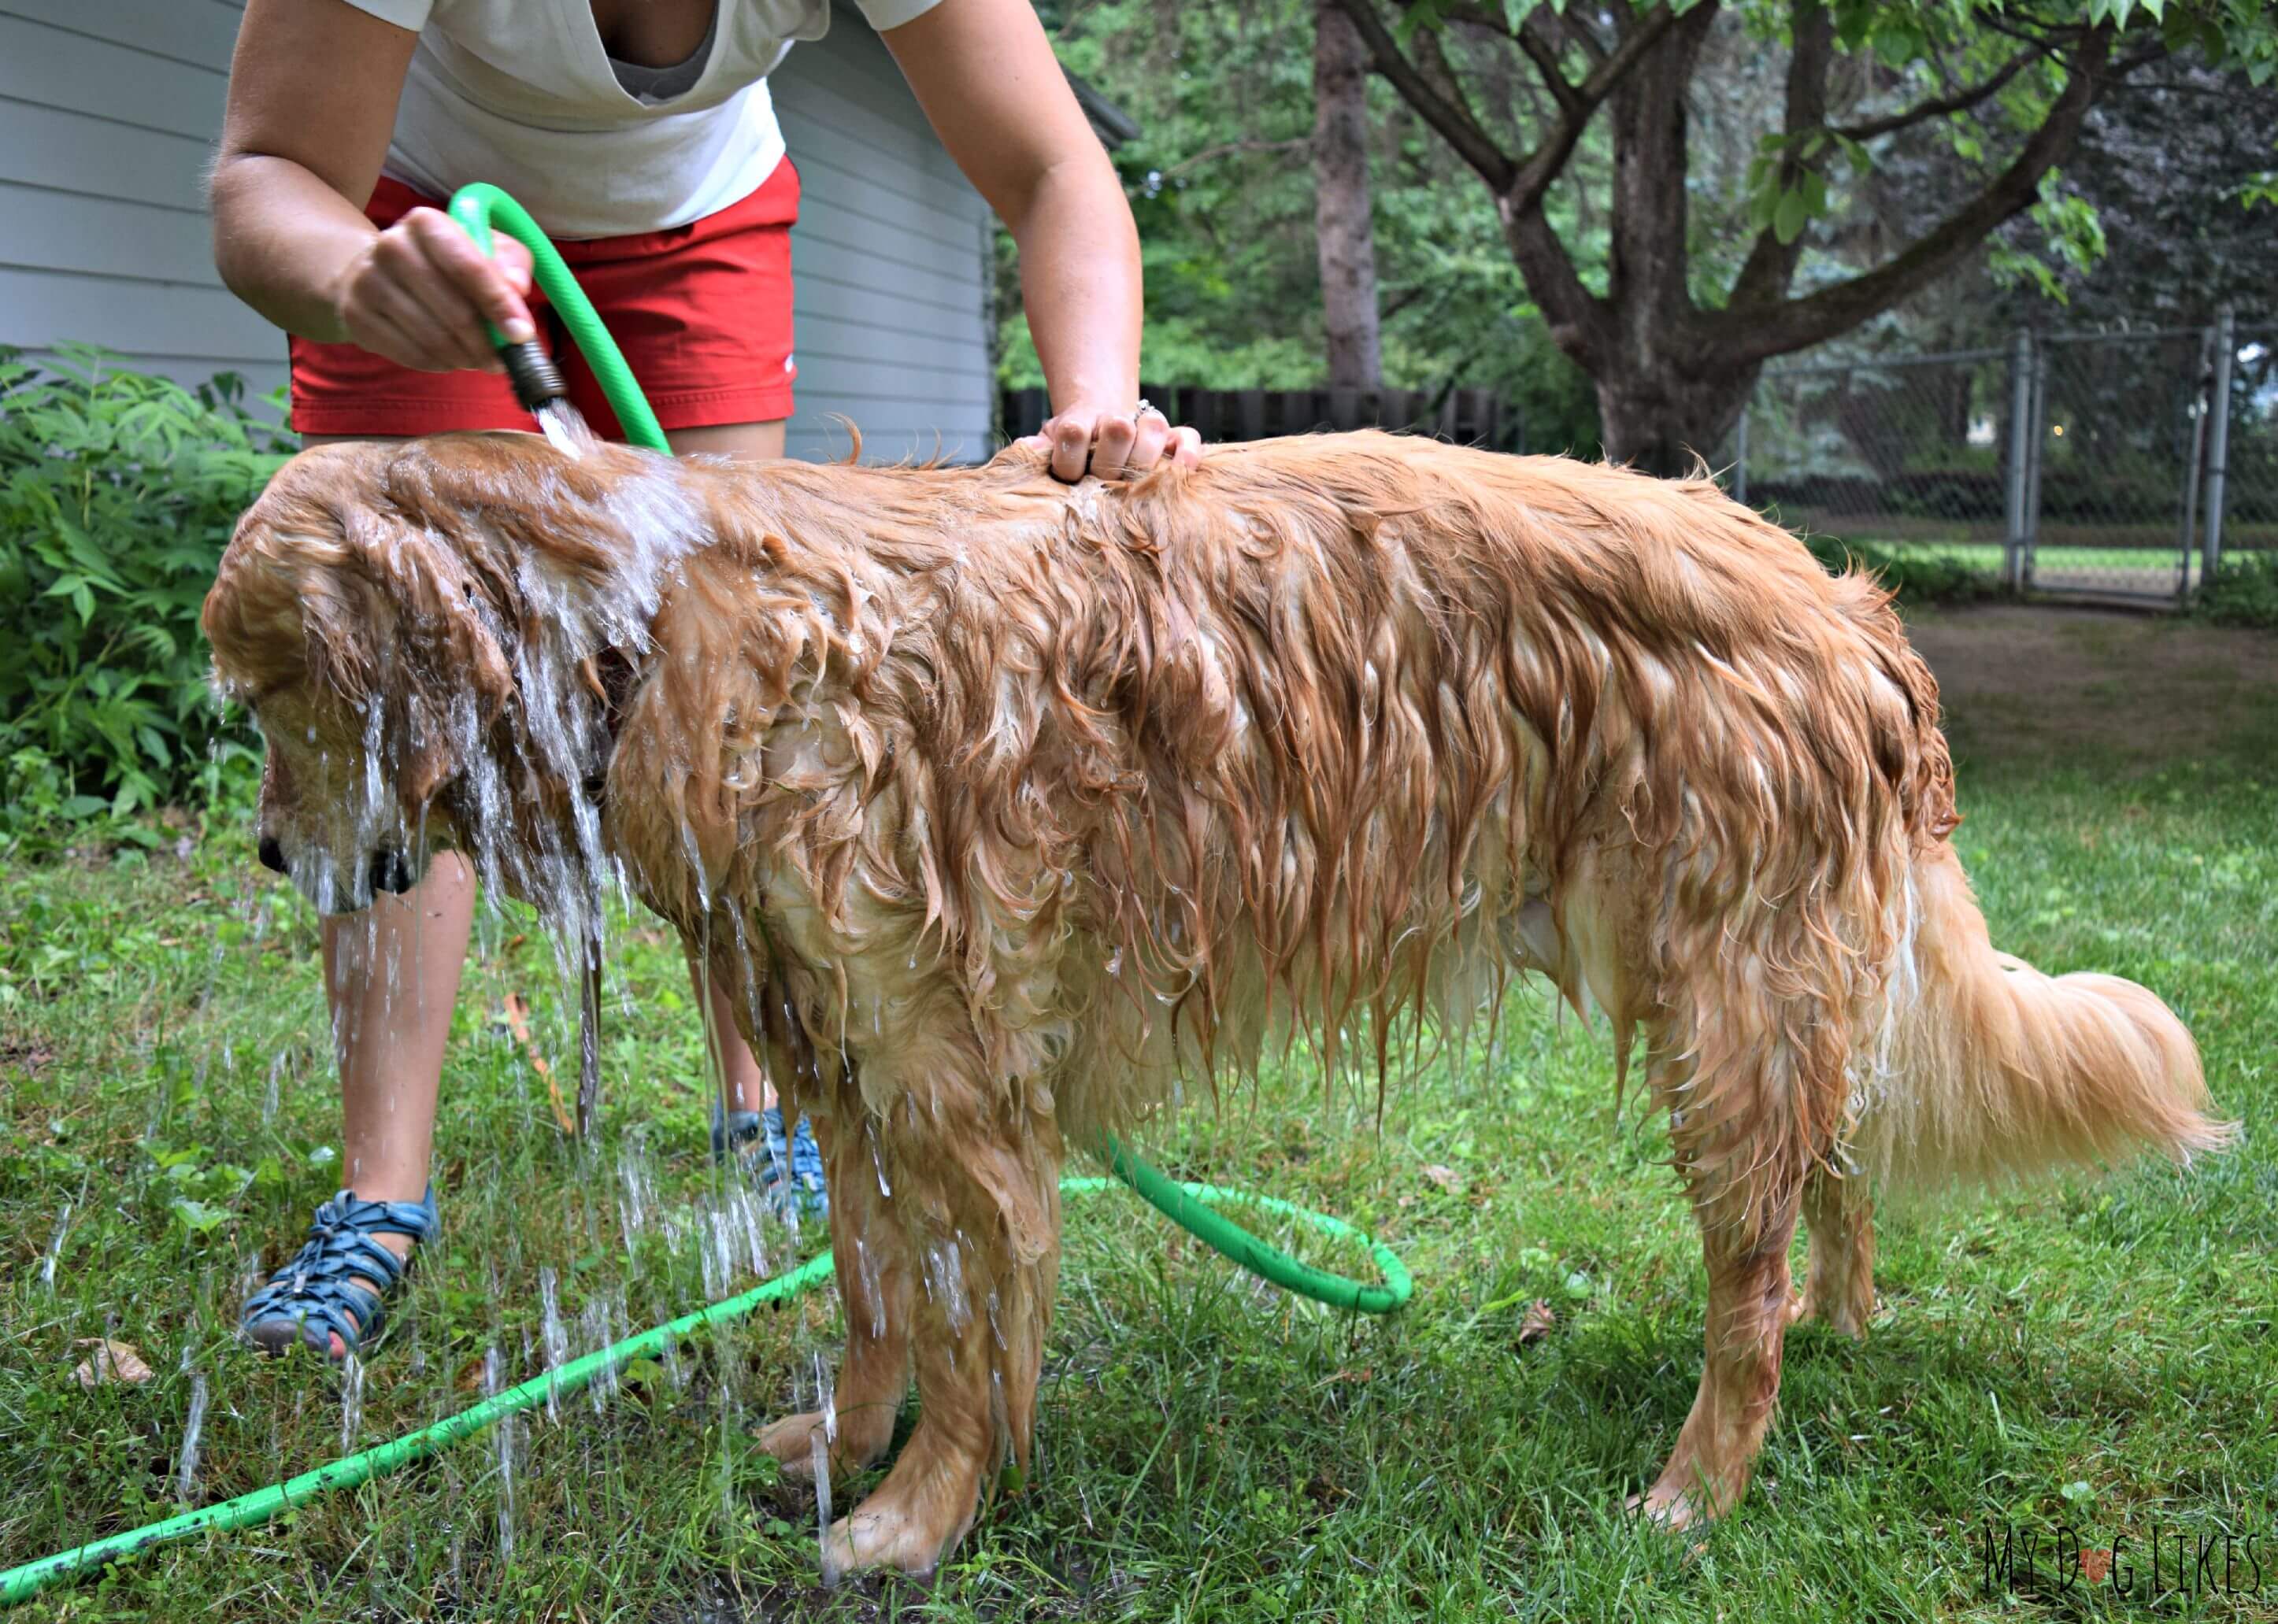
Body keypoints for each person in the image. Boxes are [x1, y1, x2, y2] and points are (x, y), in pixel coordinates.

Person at [211, 0, 1201, 1363]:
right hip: (409, 222)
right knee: (400, 680)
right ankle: (378, 1199)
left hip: (698, 225)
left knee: (724, 678)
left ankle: (764, 1107)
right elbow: (263, 176)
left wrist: (1095, 399)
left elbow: (1050, 170)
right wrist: (351, 276)